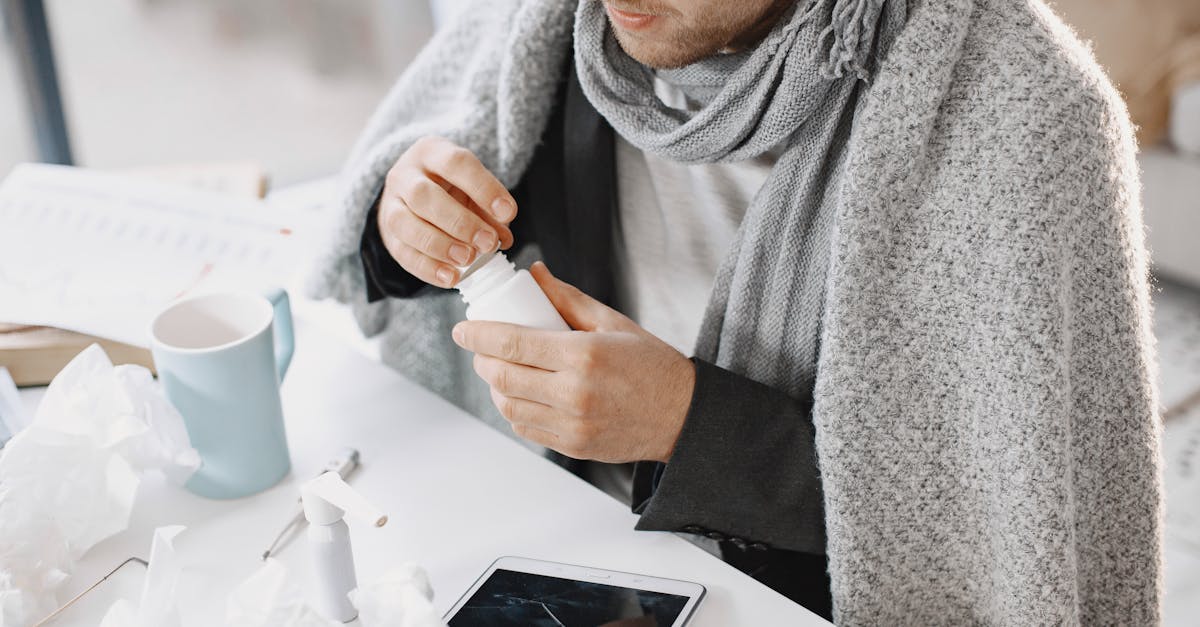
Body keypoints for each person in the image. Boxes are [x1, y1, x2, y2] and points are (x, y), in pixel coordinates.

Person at [311, 0, 1162, 623]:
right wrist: (405, 225)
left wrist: (690, 425)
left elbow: (1005, 532)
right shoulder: (560, 30)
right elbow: (400, 238)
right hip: (567, 542)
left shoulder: (1026, 118)